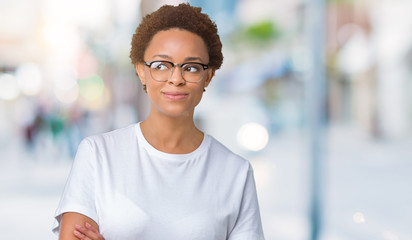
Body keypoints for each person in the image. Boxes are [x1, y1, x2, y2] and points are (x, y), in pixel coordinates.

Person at [53, 3, 265, 240]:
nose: (176, 79)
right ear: (141, 71)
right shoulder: (97, 155)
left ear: (209, 75)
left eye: (192, 67)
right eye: (161, 65)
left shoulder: (236, 173)